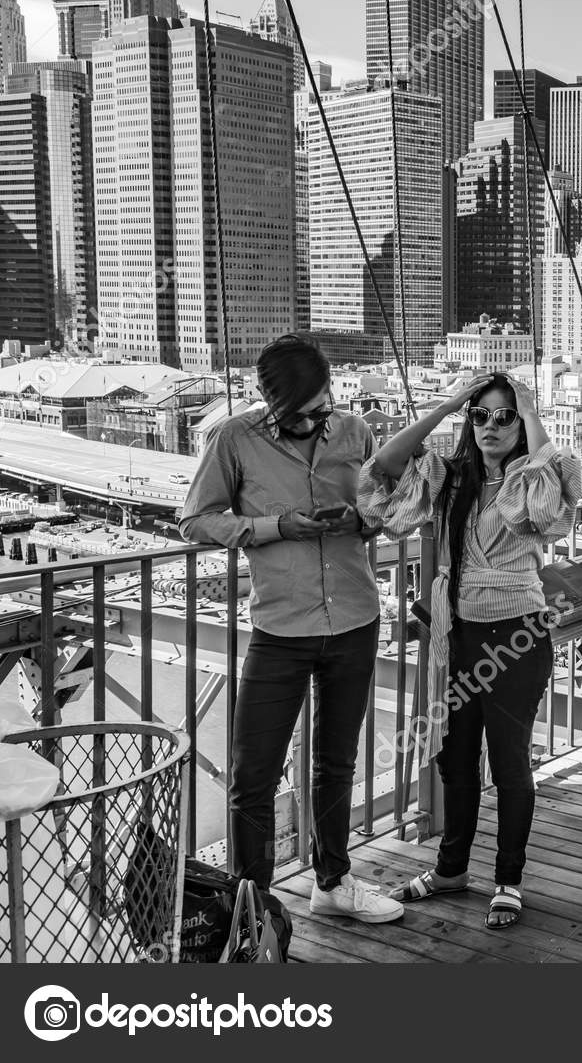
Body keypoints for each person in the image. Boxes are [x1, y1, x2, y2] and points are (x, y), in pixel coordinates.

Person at [181, 334, 403, 924]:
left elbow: (386, 507)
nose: (310, 422)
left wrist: (359, 518)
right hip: (280, 628)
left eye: (319, 409)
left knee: (337, 763)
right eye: (296, 414)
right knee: (251, 775)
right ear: (267, 400)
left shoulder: (356, 432)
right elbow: (195, 519)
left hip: (356, 617)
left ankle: (333, 881)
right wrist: (279, 526)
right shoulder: (234, 439)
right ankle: (252, 910)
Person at [359, 373, 580, 929]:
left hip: (517, 637)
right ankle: (451, 867)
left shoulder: (542, 475)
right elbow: (382, 478)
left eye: (504, 417)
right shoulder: (450, 477)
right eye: (480, 416)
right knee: (455, 760)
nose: (490, 426)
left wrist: (530, 413)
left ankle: (508, 879)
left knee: (509, 763)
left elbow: (550, 519)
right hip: (457, 634)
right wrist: (450, 405)